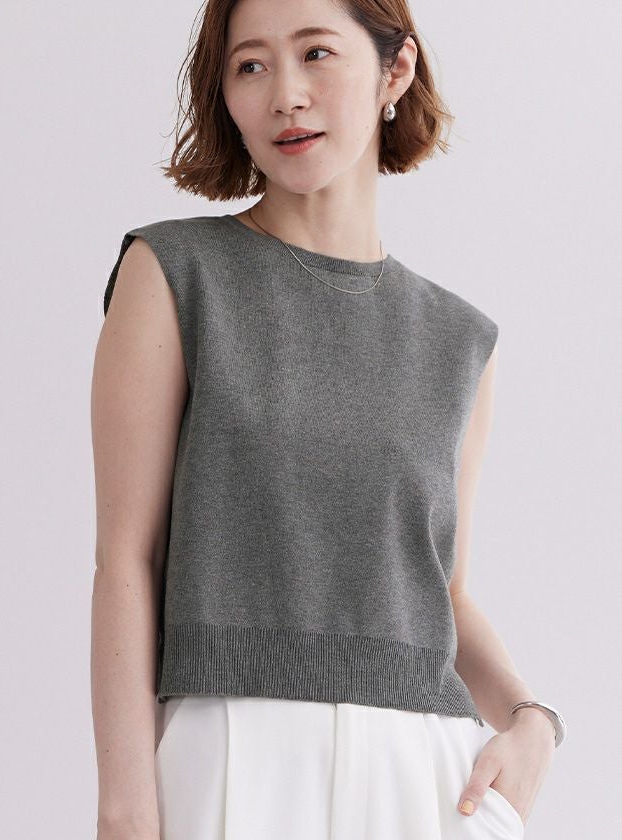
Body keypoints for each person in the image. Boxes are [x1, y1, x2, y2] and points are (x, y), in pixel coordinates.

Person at [91, 1, 566, 838]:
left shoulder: (459, 339)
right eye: (251, 65)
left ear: (396, 70)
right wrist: (126, 811)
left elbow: (444, 592)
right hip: (234, 756)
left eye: (316, 53)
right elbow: (128, 555)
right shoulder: (176, 273)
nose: (286, 94)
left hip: (426, 777)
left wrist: (534, 720)